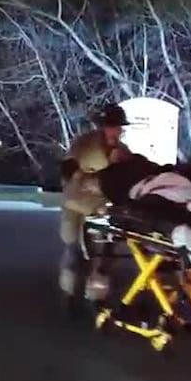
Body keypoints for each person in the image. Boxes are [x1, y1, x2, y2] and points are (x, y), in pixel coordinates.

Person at [57, 104, 133, 318]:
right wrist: (84, 181)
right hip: (77, 205)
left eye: (119, 127)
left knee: (103, 255)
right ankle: (69, 294)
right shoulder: (83, 145)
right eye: (113, 127)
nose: (117, 132)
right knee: (73, 251)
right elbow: (67, 172)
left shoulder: (123, 152)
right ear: (103, 127)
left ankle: (96, 298)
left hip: (103, 210)